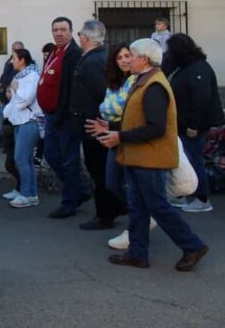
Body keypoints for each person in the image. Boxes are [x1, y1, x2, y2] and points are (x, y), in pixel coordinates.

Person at [92, 39, 209, 272]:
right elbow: (138, 119)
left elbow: (156, 127)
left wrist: (119, 137)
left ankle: (192, 245)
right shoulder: (143, 81)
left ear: (144, 59)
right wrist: (111, 127)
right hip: (139, 157)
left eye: (132, 56)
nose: (128, 60)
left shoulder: (154, 86)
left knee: (157, 205)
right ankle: (138, 253)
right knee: (138, 206)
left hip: (151, 159)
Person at [85, 43, 145, 250]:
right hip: (112, 137)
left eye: (128, 55)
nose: (125, 60)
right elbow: (109, 108)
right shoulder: (114, 83)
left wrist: (109, 122)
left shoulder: (137, 81)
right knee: (111, 183)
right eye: (120, 58)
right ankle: (139, 216)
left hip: (128, 138)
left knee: (131, 186)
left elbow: (125, 111)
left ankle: (136, 228)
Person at [72, 20, 122, 230]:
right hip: (97, 123)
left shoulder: (93, 62)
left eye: (81, 34)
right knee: (101, 171)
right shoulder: (100, 57)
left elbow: (102, 94)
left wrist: (102, 122)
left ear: (85, 37)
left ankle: (106, 215)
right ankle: (112, 209)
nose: (79, 37)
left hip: (95, 125)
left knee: (99, 171)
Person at [167, 33, 224, 213]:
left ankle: (202, 197)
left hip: (193, 126)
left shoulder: (197, 69)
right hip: (185, 124)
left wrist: (194, 126)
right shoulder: (187, 67)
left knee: (194, 160)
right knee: (186, 160)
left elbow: (201, 100)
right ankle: (184, 194)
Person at [37, 17, 87, 219]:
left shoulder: (73, 54)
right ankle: (80, 190)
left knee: (68, 160)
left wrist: (60, 114)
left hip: (63, 117)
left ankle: (70, 202)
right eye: (55, 30)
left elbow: (70, 88)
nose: (59, 33)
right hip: (50, 116)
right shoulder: (54, 52)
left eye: (63, 29)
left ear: (71, 31)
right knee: (51, 155)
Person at [1, 48, 42, 208]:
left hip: (29, 122)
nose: (12, 61)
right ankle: (28, 192)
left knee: (21, 159)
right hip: (20, 122)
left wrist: (15, 89)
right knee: (26, 160)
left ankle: (27, 194)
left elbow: (25, 100)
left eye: (14, 58)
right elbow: (15, 101)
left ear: (22, 60)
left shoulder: (32, 76)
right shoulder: (21, 76)